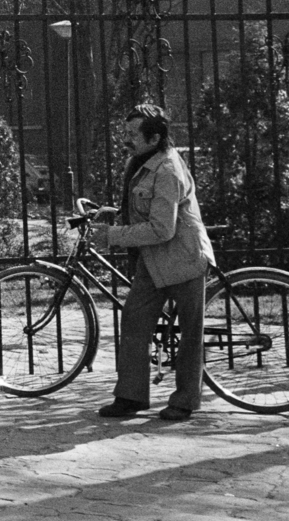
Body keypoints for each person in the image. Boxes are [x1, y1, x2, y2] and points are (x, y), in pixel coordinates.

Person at [90, 104, 215, 422]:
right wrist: (112, 214)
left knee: (189, 332)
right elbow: (142, 208)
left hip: (183, 259)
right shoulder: (141, 160)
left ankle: (185, 401)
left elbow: (163, 228)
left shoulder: (168, 169)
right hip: (154, 260)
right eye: (126, 132)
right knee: (133, 321)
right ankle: (130, 397)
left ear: (155, 138)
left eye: (133, 134)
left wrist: (113, 235)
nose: (126, 140)